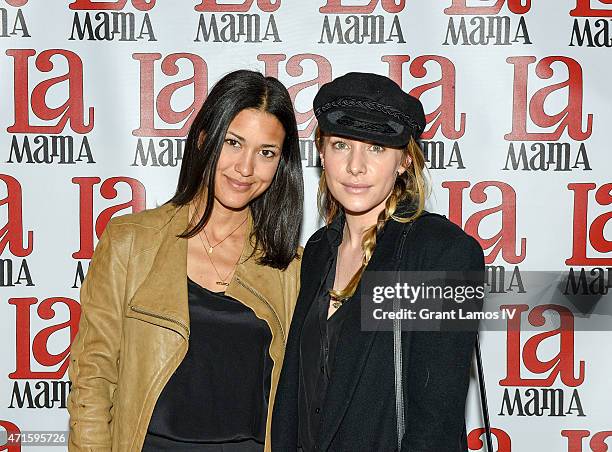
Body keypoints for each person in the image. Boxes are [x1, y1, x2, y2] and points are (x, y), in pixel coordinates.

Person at [67, 69, 304, 452]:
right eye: (233, 143)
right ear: (203, 140)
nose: (245, 168)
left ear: (281, 164)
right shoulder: (131, 242)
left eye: (266, 153)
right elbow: (93, 377)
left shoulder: (290, 267)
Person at [271, 72, 485, 451]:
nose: (356, 166)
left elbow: (435, 422)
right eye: (341, 145)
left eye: (376, 148)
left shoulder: (438, 254)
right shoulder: (319, 251)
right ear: (321, 152)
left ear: (404, 161)